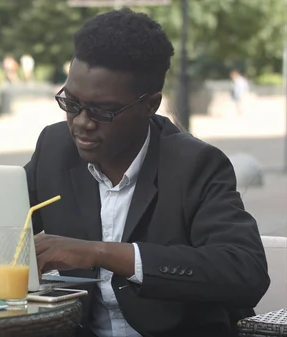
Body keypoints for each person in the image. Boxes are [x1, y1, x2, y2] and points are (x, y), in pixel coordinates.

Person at [25, 9, 269, 337]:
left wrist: (99, 252)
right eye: (71, 102)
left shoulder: (195, 166)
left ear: (150, 104)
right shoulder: (54, 148)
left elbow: (244, 272)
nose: (82, 122)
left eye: (102, 110)